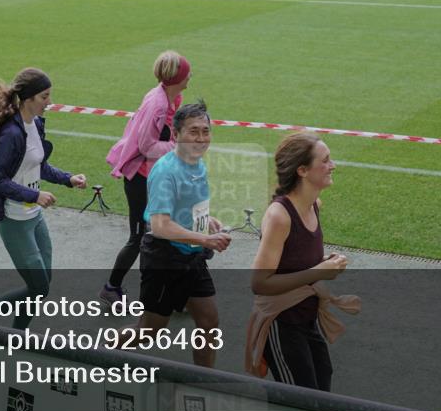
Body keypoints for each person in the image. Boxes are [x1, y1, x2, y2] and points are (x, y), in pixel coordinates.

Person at [245, 133, 359, 391]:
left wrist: (325, 263)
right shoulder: (279, 216)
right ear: (303, 170)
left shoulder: (313, 205)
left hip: (306, 321)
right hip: (281, 324)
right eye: (326, 160)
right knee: (303, 400)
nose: (333, 165)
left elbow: (296, 261)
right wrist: (318, 271)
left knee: (322, 389)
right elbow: (259, 282)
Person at [0, 68, 87, 330]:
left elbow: (39, 165)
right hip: (15, 221)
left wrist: (68, 179)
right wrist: (34, 195)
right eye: (45, 96)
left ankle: (18, 336)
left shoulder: (34, 124)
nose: (49, 102)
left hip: (34, 219)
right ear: (28, 98)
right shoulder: (12, 135)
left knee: (41, 286)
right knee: (38, 287)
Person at [134, 101, 231, 368]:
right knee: (148, 333)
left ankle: (202, 382)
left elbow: (185, 208)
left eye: (205, 131)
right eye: (193, 131)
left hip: (192, 257)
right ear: (175, 135)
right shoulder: (165, 171)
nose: (201, 138)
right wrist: (204, 239)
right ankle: (94, 358)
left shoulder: (197, 164)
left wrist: (206, 221)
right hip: (164, 259)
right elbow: (161, 225)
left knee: (210, 323)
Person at [101, 51, 191, 304]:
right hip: (140, 178)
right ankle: (112, 287)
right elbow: (146, 145)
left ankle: (173, 292)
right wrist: (179, 148)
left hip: (155, 176)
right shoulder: (159, 104)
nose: (190, 76)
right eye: (187, 72)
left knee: (163, 233)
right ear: (178, 77)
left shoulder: (172, 97)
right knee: (141, 236)